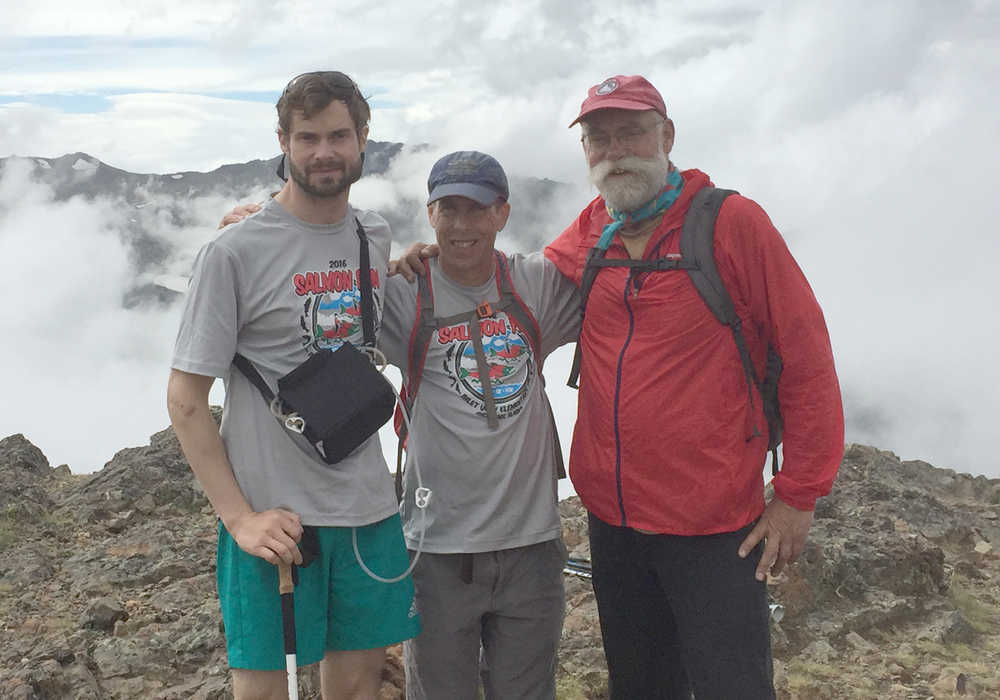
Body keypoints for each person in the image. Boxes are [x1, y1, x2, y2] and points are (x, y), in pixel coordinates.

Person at [541, 75, 846, 699]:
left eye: (631, 132)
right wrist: (435, 266)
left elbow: (806, 356)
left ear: (667, 136)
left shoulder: (730, 224)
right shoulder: (593, 229)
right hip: (613, 521)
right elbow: (517, 292)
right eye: (599, 139)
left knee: (730, 684)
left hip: (712, 525)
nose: (614, 149)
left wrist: (798, 495)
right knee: (641, 685)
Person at [167, 71, 419, 700]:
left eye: (339, 135)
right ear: (283, 141)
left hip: (366, 509)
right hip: (275, 520)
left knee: (359, 687)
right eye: (307, 137)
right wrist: (239, 520)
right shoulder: (233, 252)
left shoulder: (372, 234)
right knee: (264, 692)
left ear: (363, 139)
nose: (324, 152)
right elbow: (185, 398)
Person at [381, 151, 579, 699]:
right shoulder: (404, 295)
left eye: (477, 209)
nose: (461, 224)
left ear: (502, 214)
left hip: (532, 547)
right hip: (438, 549)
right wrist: (257, 223)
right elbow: (319, 296)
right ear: (430, 213)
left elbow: (615, 272)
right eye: (449, 209)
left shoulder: (533, 283)